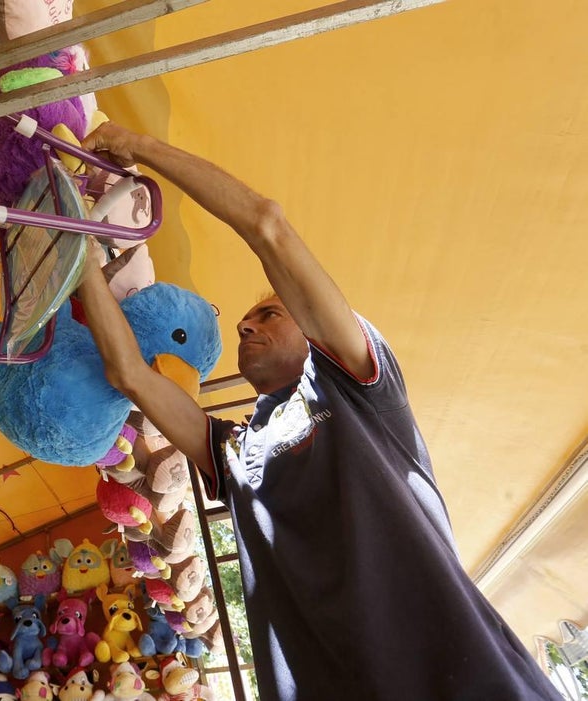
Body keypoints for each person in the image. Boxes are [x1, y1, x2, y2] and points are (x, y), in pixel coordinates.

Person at [77, 122, 562, 701]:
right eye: (244, 325)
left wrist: (143, 148)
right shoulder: (233, 454)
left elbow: (267, 225)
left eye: (270, 316)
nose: (247, 325)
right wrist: (78, 255)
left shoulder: (356, 387)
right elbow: (129, 373)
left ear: (312, 332)